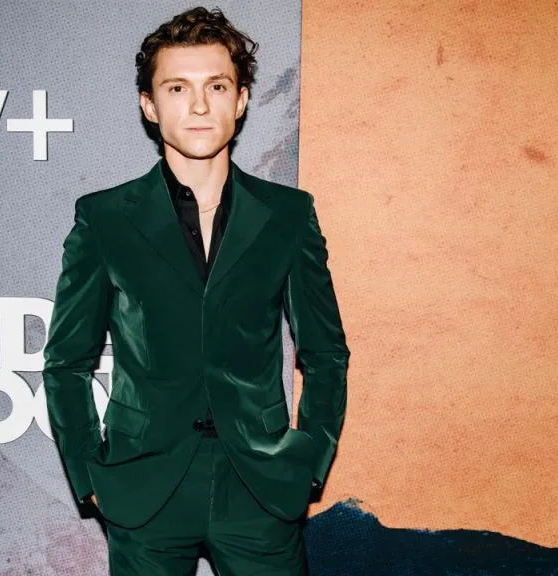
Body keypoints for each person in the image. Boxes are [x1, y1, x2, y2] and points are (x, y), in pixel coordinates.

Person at [42, 6, 349, 575]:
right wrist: (90, 474)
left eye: (217, 86)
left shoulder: (288, 215)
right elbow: (66, 362)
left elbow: (325, 353)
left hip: (259, 488)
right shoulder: (104, 219)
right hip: (144, 486)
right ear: (149, 106)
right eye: (178, 88)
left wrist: (308, 462)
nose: (200, 105)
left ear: (242, 99)